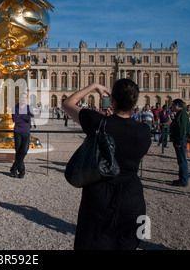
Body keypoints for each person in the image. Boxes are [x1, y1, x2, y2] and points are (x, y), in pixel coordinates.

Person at [63, 79, 151, 250]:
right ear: (135, 102)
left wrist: (94, 86)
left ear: (112, 100)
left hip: (99, 196)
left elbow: (68, 103)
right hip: (133, 199)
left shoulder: (98, 123)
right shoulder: (144, 131)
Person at [10, 92, 34, 179]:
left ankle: (13, 168)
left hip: (26, 132)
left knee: (24, 151)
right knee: (18, 151)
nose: (23, 99)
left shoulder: (29, 108)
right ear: (19, 98)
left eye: (25, 97)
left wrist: (20, 116)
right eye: (22, 97)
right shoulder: (14, 107)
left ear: (26, 99)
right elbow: (14, 119)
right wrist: (24, 117)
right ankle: (22, 171)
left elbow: (30, 117)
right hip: (17, 131)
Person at [169, 98, 190, 187]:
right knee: (181, 160)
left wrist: (178, 141)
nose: (171, 106)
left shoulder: (182, 114)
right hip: (180, 140)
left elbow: (182, 130)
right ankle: (182, 178)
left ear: (177, 105)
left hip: (181, 140)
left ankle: (184, 180)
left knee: (182, 160)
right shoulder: (180, 114)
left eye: (173, 105)